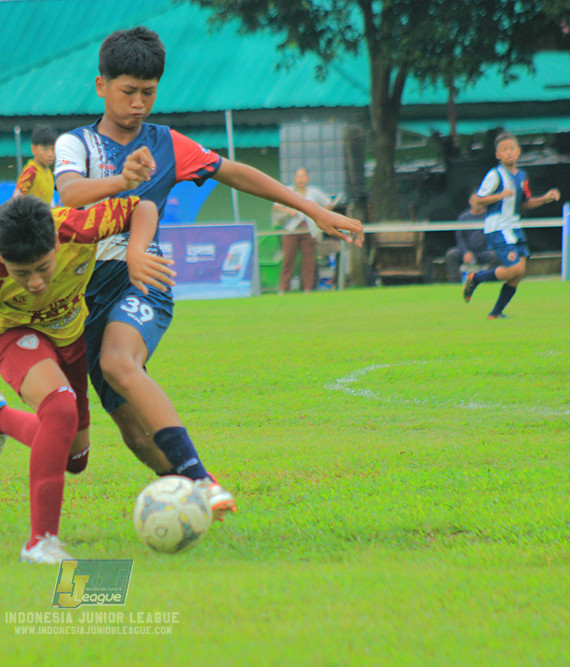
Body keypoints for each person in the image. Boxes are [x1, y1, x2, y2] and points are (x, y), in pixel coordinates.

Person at [54, 27, 363, 520]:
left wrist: (311, 209)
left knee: (118, 362)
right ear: (101, 86)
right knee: (135, 436)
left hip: (142, 280)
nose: (138, 103)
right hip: (81, 297)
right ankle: (191, 499)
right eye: (128, 91)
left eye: (148, 93)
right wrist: (122, 179)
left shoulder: (166, 144)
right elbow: (70, 194)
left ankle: (202, 480)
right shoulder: (77, 144)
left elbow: (236, 172)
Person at [0, 195, 171, 564]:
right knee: (60, 408)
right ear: (2, 258)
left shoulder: (79, 228)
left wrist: (135, 252)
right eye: (22, 274)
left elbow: (142, 208)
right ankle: (41, 542)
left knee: (74, 458)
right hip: (11, 334)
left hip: (71, 338)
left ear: (55, 243)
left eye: (42, 267)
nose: (35, 282)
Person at [462, 133, 560, 318]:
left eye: (512, 149)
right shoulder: (495, 174)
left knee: (519, 273)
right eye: (504, 150)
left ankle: (495, 313)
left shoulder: (522, 176)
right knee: (514, 269)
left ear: (519, 151)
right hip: (498, 227)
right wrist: (499, 195)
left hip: (514, 227)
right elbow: (477, 200)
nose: (509, 153)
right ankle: (476, 278)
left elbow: (525, 203)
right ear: (497, 154)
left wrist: (545, 199)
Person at [272, 167, 333, 293]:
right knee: (288, 258)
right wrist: (289, 211)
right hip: (291, 229)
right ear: (295, 179)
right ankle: (284, 289)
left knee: (309, 260)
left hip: (308, 229)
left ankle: (307, 288)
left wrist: (319, 215)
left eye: (303, 176)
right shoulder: (288, 191)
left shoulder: (313, 192)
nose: (300, 179)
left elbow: (328, 204)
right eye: (298, 177)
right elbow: (276, 206)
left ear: (307, 178)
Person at [444, 202, 496, 283]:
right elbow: (460, 238)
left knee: (496, 255)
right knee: (451, 254)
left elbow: (492, 236)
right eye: (475, 200)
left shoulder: (490, 216)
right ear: (470, 201)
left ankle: (487, 281)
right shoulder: (463, 217)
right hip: (467, 252)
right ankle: (455, 283)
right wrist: (466, 252)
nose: (477, 203)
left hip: (484, 251)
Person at [12, 125, 57, 205]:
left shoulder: (49, 174)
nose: (50, 154)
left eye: (53, 149)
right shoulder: (31, 172)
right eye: (45, 149)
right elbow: (15, 202)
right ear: (33, 149)